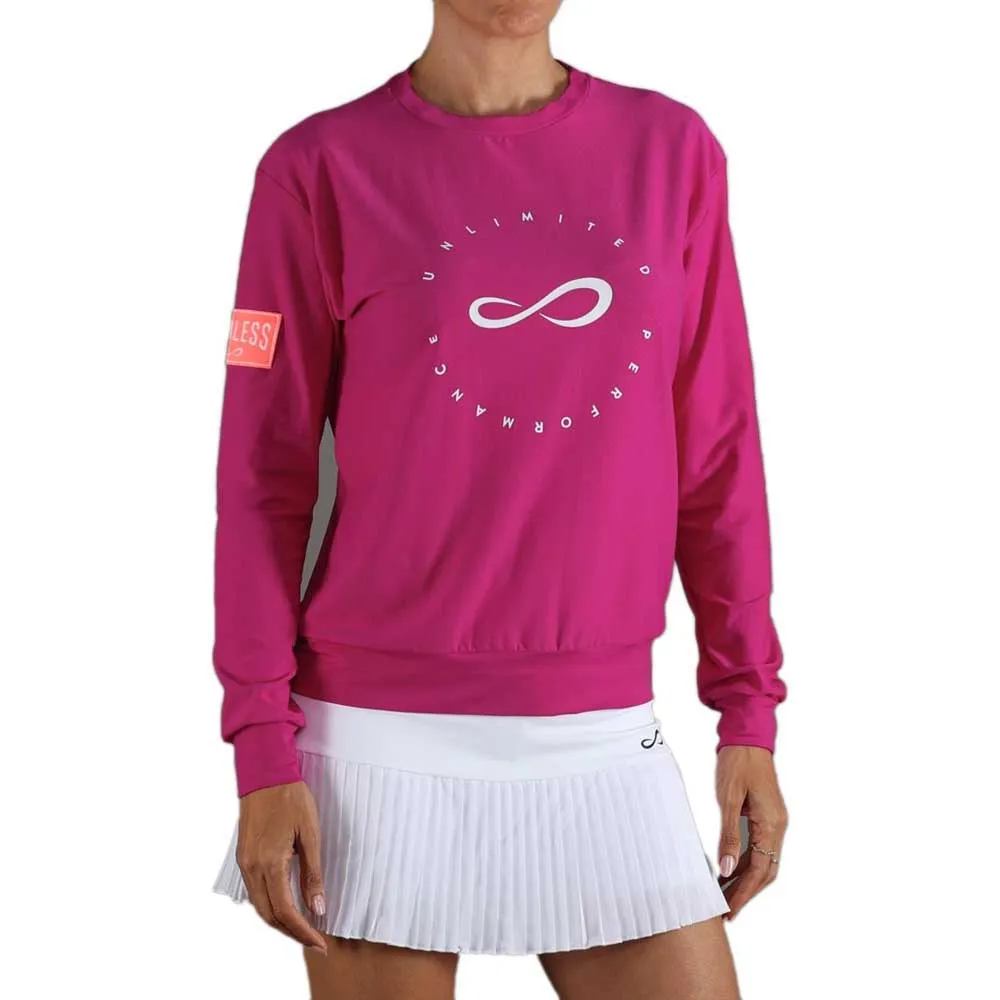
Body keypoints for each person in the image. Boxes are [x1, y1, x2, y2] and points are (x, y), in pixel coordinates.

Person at [211, 1, 788, 997]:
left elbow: (719, 450)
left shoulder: (672, 153)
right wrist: (261, 747)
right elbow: (263, 476)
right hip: (372, 740)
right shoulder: (317, 169)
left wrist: (747, 709)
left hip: (604, 729)